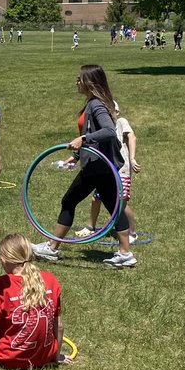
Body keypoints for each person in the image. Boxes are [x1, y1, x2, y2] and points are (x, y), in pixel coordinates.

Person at [32, 66, 130, 266]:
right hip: (101, 165)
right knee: (114, 207)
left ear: (90, 82)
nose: (76, 82)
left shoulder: (95, 105)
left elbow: (109, 131)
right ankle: (125, 252)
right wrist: (77, 156)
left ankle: (52, 248)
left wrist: (83, 138)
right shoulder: (94, 103)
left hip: (97, 167)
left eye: (79, 79)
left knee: (69, 200)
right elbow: (96, 138)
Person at [0, 234, 64, 370]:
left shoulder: (4, 284)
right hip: (44, 357)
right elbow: (58, 326)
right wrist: (56, 357)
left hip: (7, 358)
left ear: (3, 259)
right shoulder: (50, 280)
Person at [78, 109, 141, 266]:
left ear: (116, 111)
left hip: (122, 169)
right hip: (107, 170)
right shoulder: (102, 128)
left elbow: (132, 136)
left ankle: (131, 232)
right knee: (96, 197)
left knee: (121, 202)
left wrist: (132, 158)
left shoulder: (120, 122)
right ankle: (91, 226)